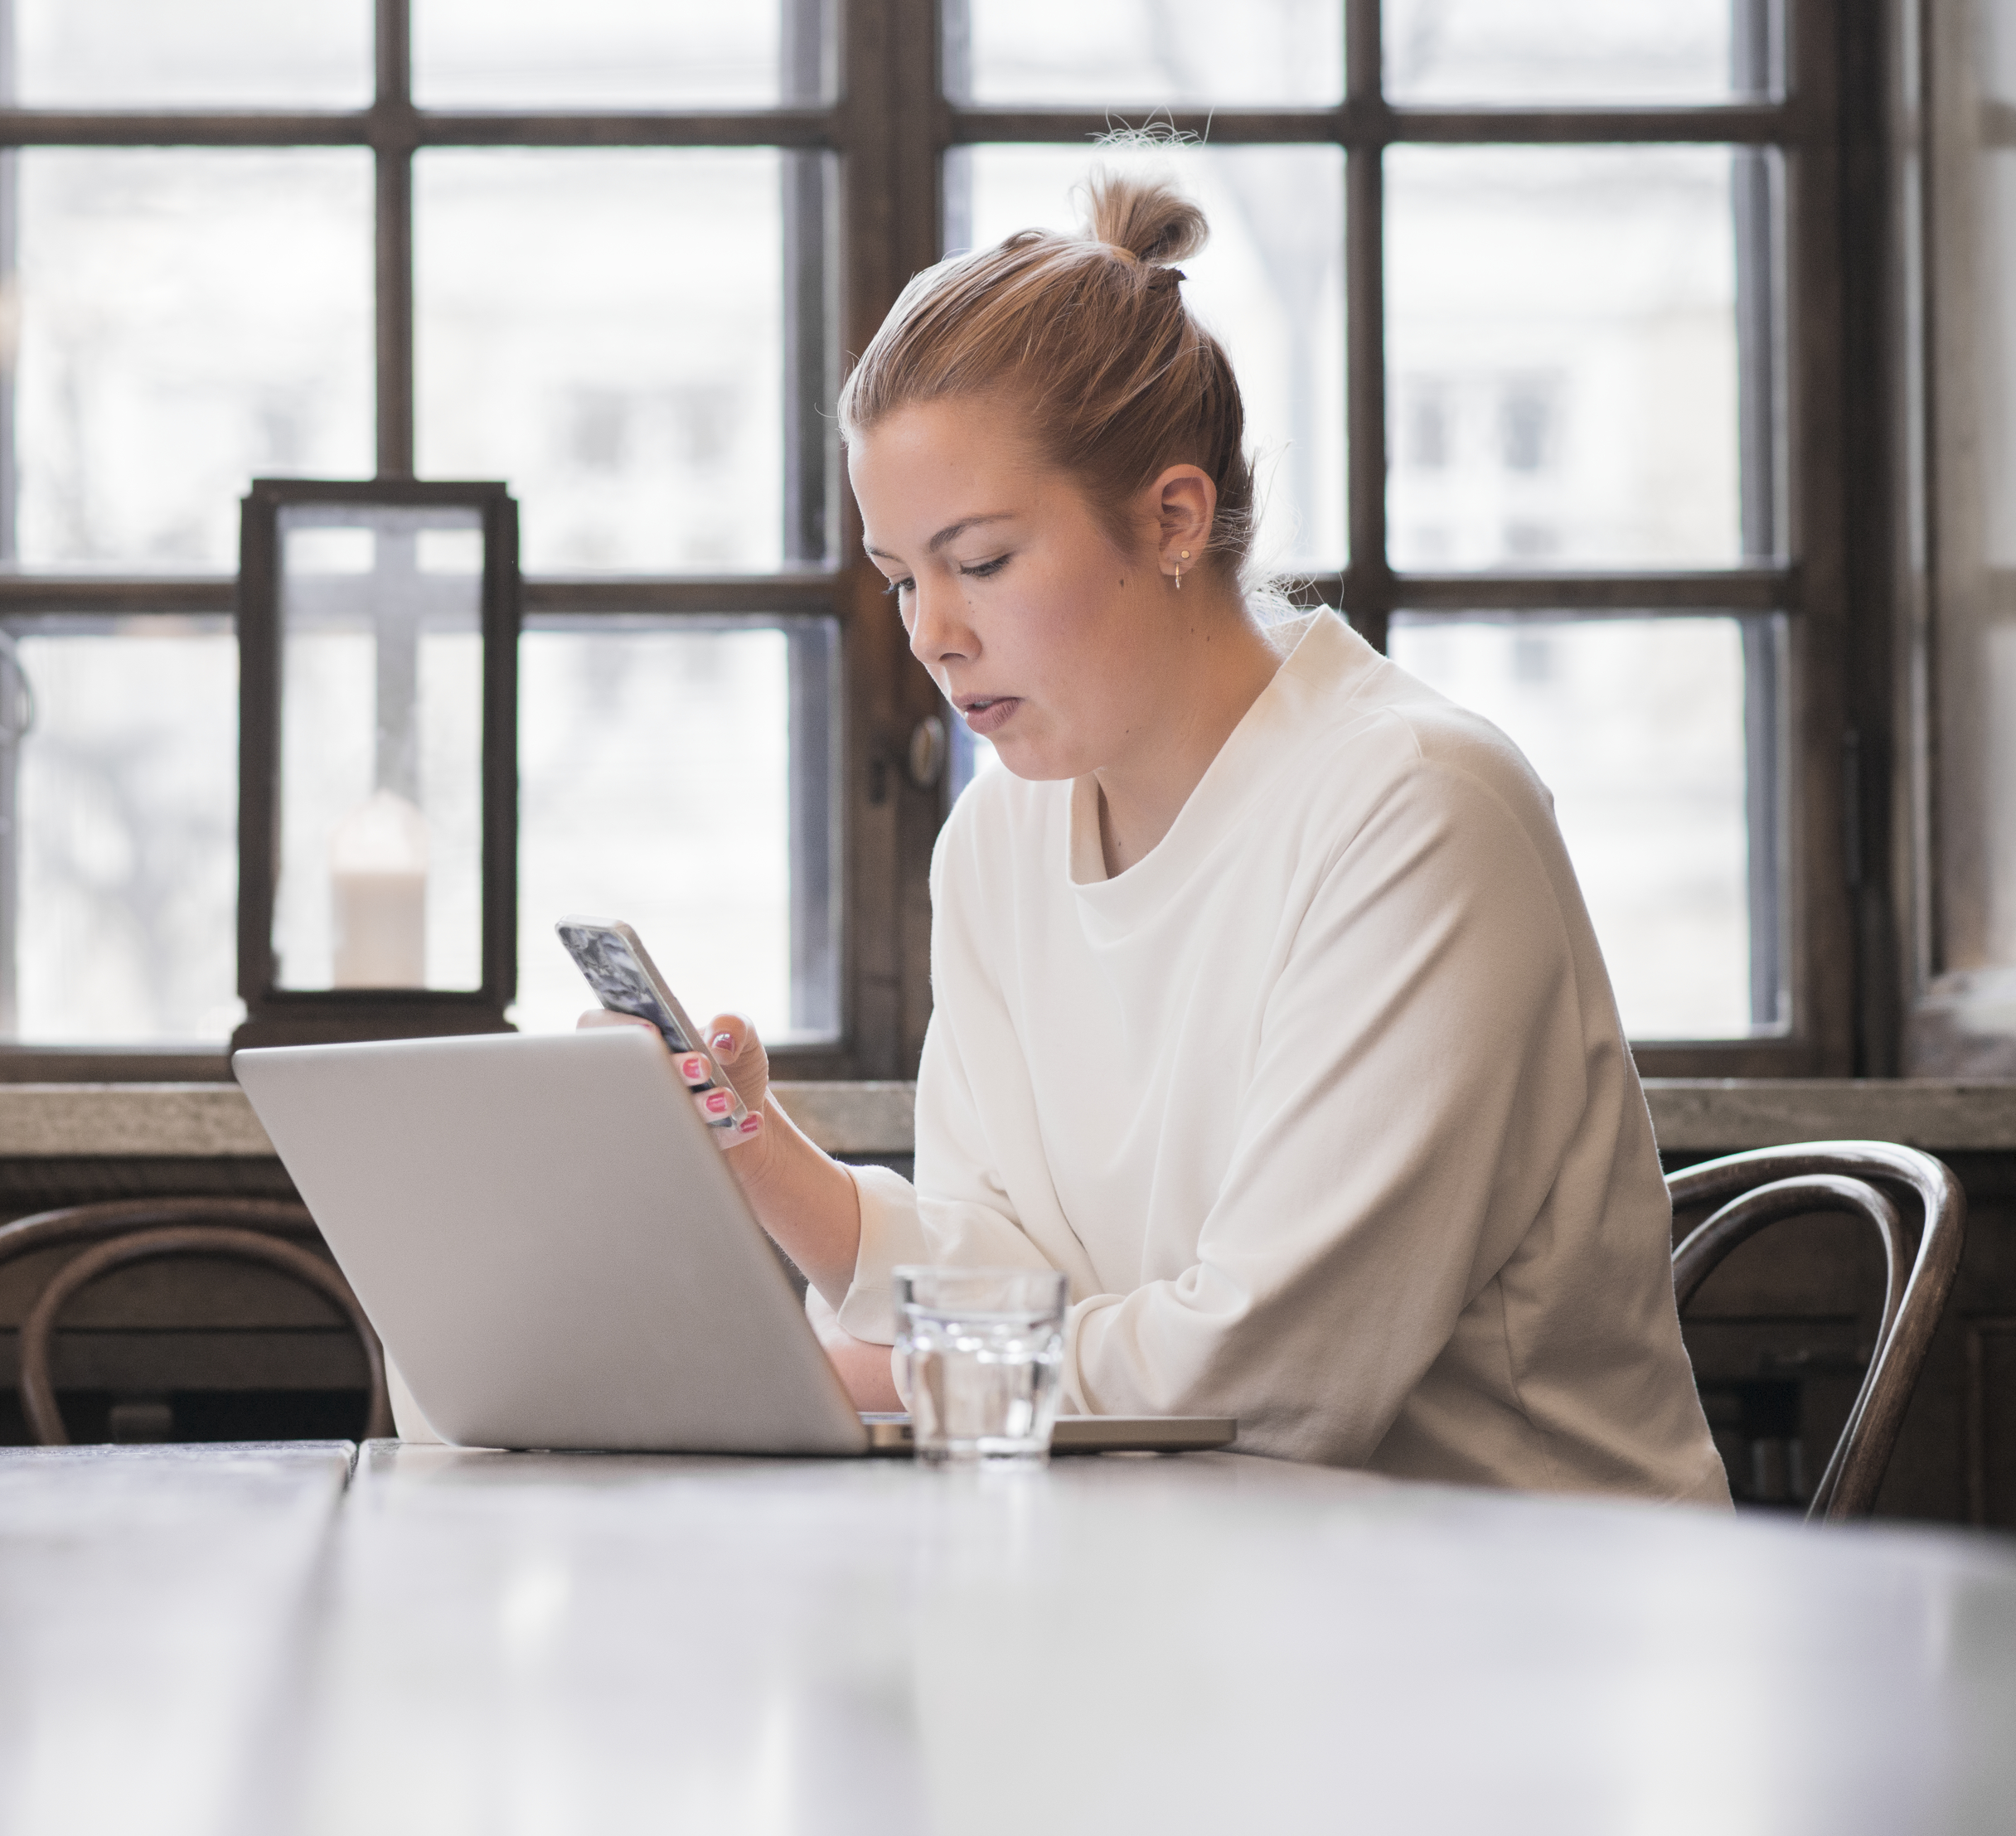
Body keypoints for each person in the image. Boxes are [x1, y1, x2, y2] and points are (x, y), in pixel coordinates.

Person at [670, 170, 1729, 1500]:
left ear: (1172, 519)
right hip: (1189, 1595)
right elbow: (1005, 1273)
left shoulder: (1416, 810)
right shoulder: (999, 843)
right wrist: (760, 1157)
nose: (932, 632)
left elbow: (1270, 1379)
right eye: (899, 578)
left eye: (981, 561)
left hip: (1511, 1635)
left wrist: (858, 1382)